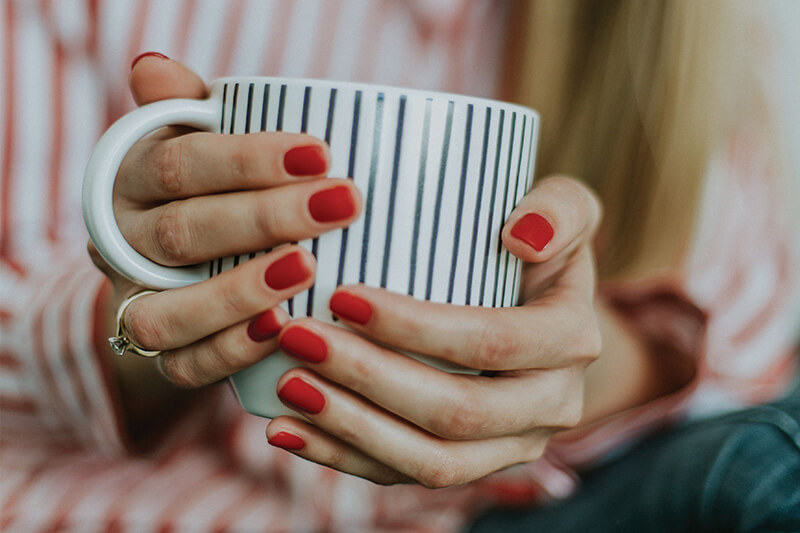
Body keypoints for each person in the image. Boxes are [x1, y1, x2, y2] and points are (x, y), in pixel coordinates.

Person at [1, 1, 798, 532]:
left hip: (519, 509)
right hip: (153, 507)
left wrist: (554, 363)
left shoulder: (658, 26)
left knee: (769, 463)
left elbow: (749, 338)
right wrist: (139, 311)